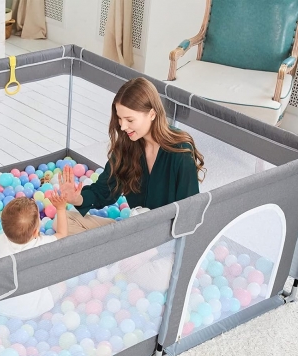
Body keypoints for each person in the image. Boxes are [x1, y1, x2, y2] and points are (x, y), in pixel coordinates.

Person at [57, 77, 206, 291]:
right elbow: (104, 191)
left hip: (165, 242)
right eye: (119, 119)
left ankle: (111, 260)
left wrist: (148, 253)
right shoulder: (127, 146)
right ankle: (119, 260)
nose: (122, 126)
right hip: (132, 234)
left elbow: (188, 215)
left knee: (159, 280)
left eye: (129, 119)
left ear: (152, 114)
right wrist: (76, 198)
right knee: (63, 221)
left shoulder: (180, 151)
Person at [0, 192, 68, 319]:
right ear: (36, 232)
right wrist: (61, 209)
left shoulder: (1, 240)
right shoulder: (43, 245)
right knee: (61, 284)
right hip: (31, 310)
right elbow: (62, 235)